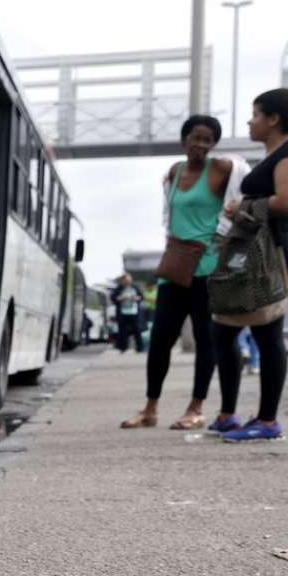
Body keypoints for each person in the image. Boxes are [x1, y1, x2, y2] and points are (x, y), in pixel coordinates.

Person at [121, 115, 240, 430]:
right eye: (196, 137)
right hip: (174, 268)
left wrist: (226, 230)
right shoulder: (174, 171)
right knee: (160, 339)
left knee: (206, 340)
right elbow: (169, 215)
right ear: (184, 139)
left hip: (207, 268)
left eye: (208, 140)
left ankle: (196, 407)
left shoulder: (221, 169)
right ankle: (150, 408)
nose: (201, 145)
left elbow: (246, 185)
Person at [212, 89, 288, 442]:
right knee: (225, 330)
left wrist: (240, 207)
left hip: (274, 251)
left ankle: (268, 421)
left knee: (267, 333)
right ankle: (228, 414)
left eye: (255, 114)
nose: (249, 122)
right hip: (255, 251)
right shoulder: (274, 154)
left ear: (273, 119)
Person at [111, 273, 144, 353]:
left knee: (137, 330)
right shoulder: (119, 288)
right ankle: (123, 348)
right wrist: (121, 298)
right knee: (122, 331)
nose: (128, 282)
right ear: (123, 281)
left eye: (129, 280)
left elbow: (141, 297)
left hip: (134, 312)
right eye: (126, 280)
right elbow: (113, 298)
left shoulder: (135, 287)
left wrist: (135, 298)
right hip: (122, 313)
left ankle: (140, 348)